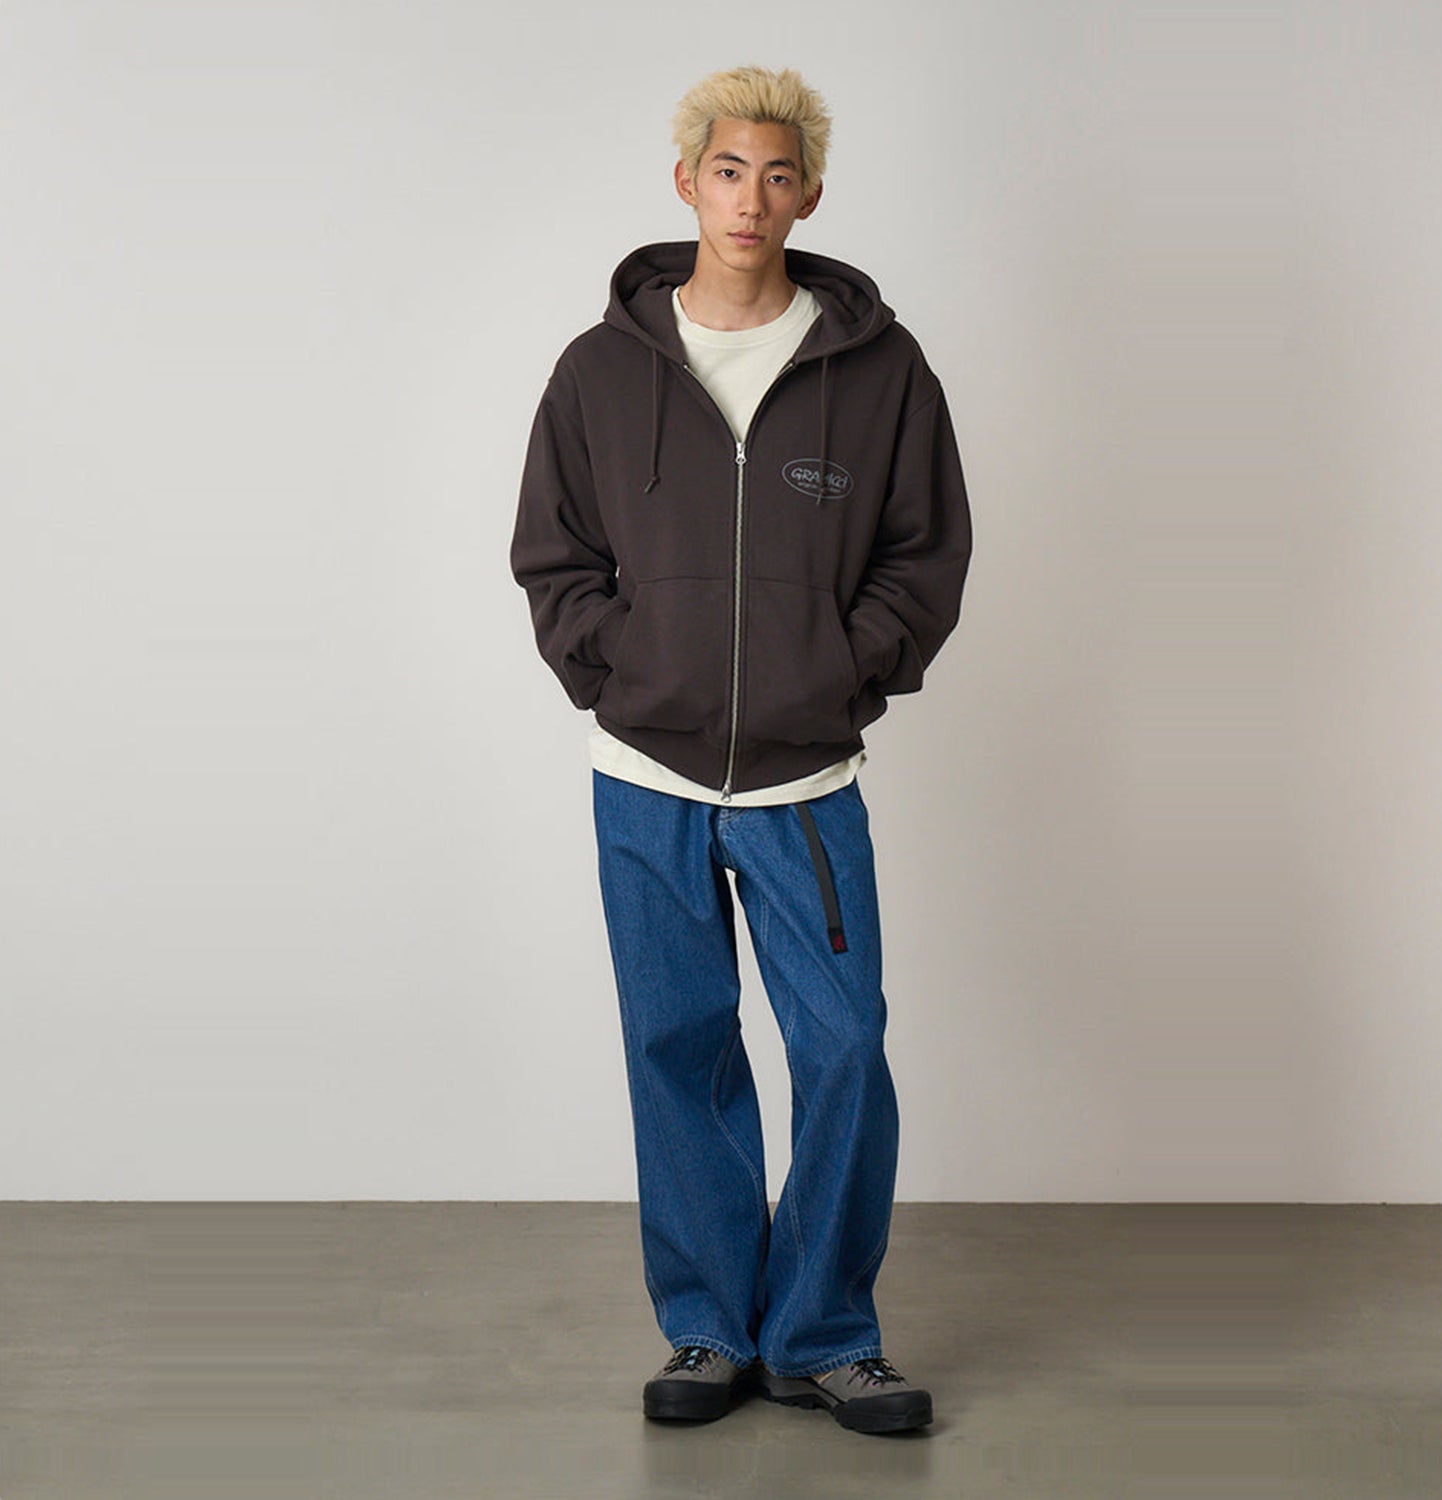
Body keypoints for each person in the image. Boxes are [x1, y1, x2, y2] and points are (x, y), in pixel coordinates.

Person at [510, 64, 971, 1435]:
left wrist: (837, 673)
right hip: (644, 779)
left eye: (778, 175)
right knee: (679, 1048)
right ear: (686, 183)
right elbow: (553, 554)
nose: (751, 198)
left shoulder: (880, 370)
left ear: (809, 195)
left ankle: (824, 1334)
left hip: (804, 781)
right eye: (728, 171)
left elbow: (923, 557)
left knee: (844, 1049)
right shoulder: (599, 371)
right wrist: (623, 672)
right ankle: (710, 1329)